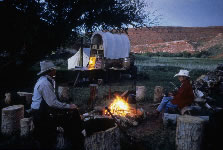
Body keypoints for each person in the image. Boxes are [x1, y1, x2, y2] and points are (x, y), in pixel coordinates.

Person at [30, 60, 84, 149]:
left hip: (44, 110)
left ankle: (73, 138)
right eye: (54, 69)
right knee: (70, 116)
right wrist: (68, 106)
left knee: (69, 114)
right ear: (50, 71)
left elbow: (51, 100)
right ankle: (74, 141)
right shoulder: (44, 83)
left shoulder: (47, 80)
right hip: (40, 114)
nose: (55, 70)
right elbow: (52, 103)